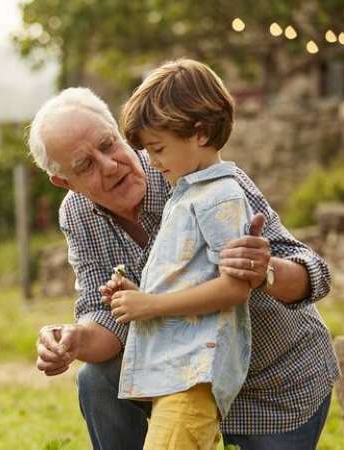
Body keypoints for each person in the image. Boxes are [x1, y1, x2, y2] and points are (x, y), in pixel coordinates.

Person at [28, 84, 339, 449]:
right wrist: (74, 340)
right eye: (86, 165)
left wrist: (264, 269)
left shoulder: (201, 173)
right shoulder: (77, 214)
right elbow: (107, 316)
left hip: (271, 378)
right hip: (178, 378)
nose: (109, 166)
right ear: (65, 182)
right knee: (97, 380)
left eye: (109, 144)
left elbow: (314, 273)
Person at [106, 58, 258, 449]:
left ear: (201, 134)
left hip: (195, 374)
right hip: (177, 374)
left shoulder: (221, 196)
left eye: (158, 149)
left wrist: (150, 305)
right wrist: (134, 293)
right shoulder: (188, 194)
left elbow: (235, 288)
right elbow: (189, 276)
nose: (152, 163)